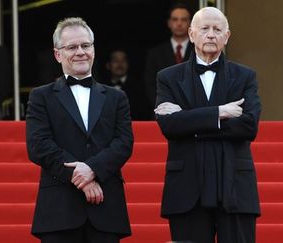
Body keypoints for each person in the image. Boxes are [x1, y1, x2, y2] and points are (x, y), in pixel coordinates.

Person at [154, 7, 261, 243]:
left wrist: (190, 122)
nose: (211, 35)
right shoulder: (168, 77)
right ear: (192, 34)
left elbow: (249, 126)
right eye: (205, 29)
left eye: (217, 29)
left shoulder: (245, 76)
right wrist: (219, 113)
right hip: (186, 187)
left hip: (235, 185)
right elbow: (169, 126)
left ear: (227, 36)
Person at [26, 17, 133, 243]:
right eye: (72, 47)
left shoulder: (117, 97)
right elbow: (38, 145)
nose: (80, 52)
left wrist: (92, 169)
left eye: (86, 45)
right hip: (59, 210)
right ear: (57, 54)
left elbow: (123, 143)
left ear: (93, 50)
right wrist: (78, 175)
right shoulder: (41, 96)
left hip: (106, 208)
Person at [144, 3, 193, 118]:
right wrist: (163, 105)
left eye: (184, 19)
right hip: (162, 112)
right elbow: (150, 84)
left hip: (193, 112)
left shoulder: (199, 52)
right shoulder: (155, 53)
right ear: (169, 23)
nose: (179, 23)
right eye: (175, 19)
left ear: (190, 24)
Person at [105, 49, 148, 120]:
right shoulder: (100, 87)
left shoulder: (139, 87)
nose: (120, 64)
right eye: (115, 61)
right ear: (108, 65)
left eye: (123, 61)